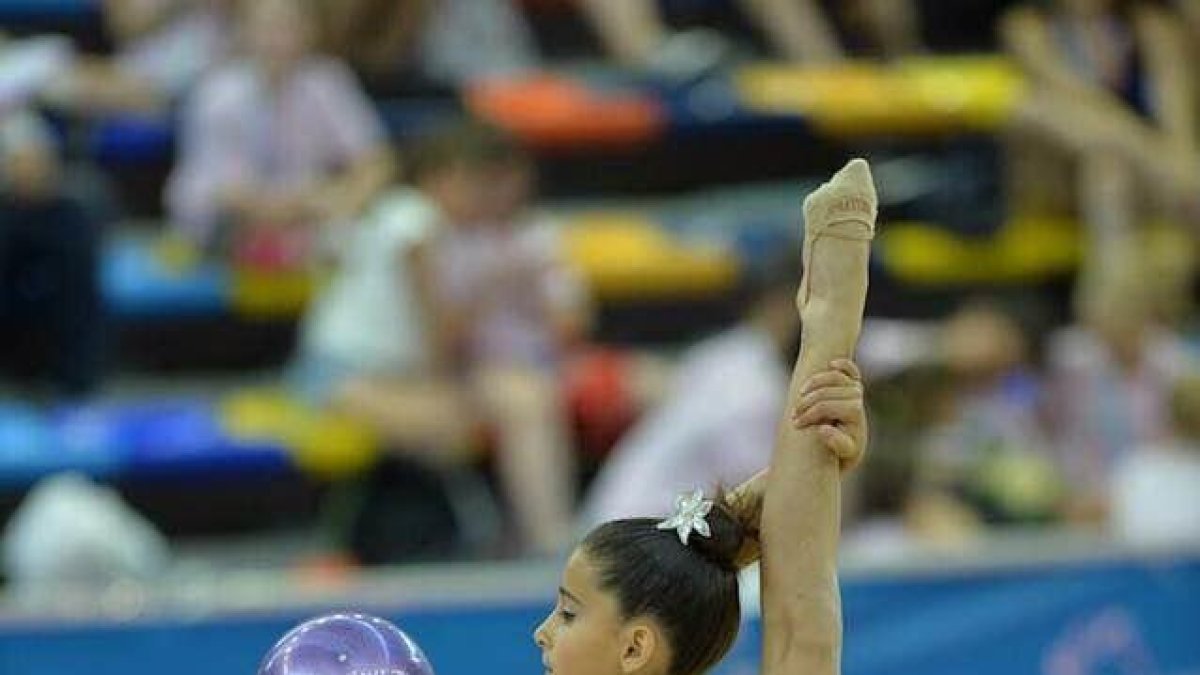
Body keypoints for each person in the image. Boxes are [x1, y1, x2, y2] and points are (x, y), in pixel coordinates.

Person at [534, 158, 877, 675]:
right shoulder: (730, 369)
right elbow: (801, 631)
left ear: (633, 649)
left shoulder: (739, 379)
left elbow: (800, 626)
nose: (541, 631)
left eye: (567, 613)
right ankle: (828, 325)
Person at [297, 121, 586, 555]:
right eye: (476, 184)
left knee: (518, 401)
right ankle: (524, 540)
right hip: (345, 378)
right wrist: (497, 285)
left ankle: (542, 538)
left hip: (394, 376)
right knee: (460, 426)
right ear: (441, 178)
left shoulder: (433, 225)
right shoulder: (415, 221)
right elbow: (440, 332)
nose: (486, 198)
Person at [579, 251, 802, 527]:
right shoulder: (753, 386)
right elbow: (767, 501)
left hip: (626, 525)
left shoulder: (723, 354)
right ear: (782, 305)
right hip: (644, 541)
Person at [165, 0, 394, 257]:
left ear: (310, 31)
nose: (276, 39)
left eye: (288, 26)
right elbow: (227, 192)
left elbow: (376, 162)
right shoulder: (215, 91)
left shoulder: (329, 82)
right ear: (243, 31)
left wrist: (347, 198)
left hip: (311, 219)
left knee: (387, 226)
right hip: (225, 227)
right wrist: (306, 202)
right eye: (266, 27)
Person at [0, 111, 104, 397]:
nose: (30, 170)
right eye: (20, 162)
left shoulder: (74, 216)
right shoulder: (6, 221)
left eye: (37, 160)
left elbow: (84, 297)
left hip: (67, 348)